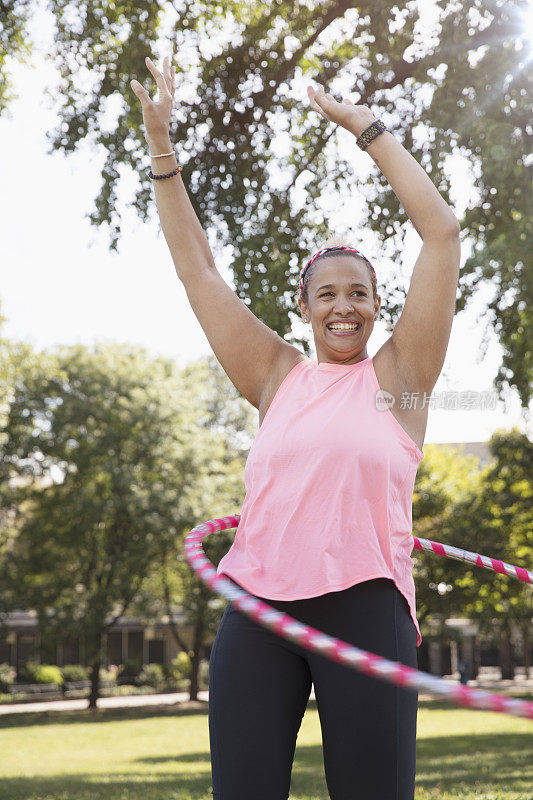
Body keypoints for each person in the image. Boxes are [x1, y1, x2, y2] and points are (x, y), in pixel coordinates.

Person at [131, 55, 461, 800]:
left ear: (378, 305)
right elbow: (201, 274)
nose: (343, 307)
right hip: (257, 607)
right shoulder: (276, 376)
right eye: (326, 294)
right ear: (306, 305)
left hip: (367, 604)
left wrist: (364, 129)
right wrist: (161, 153)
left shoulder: (399, 381)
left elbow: (440, 233)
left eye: (358, 294)